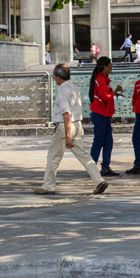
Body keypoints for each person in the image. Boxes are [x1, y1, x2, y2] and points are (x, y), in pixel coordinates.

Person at [34, 64, 108, 195]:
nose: (55, 79)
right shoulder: (75, 88)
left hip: (65, 126)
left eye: (55, 76)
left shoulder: (62, 91)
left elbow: (66, 114)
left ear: (59, 77)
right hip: (78, 125)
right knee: (84, 155)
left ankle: (48, 186)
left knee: (53, 157)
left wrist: (67, 136)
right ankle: (99, 181)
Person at [89, 56, 124, 176]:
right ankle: (92, 167)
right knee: (100, 141)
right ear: (104, 66)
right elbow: (105, 96)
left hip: (103, 114)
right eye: (110, 65)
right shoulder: (100, 79)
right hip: (100, 114)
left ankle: (105, 167)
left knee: (107, 141)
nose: (111, 68)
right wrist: (114, 92)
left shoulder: (102, 79)